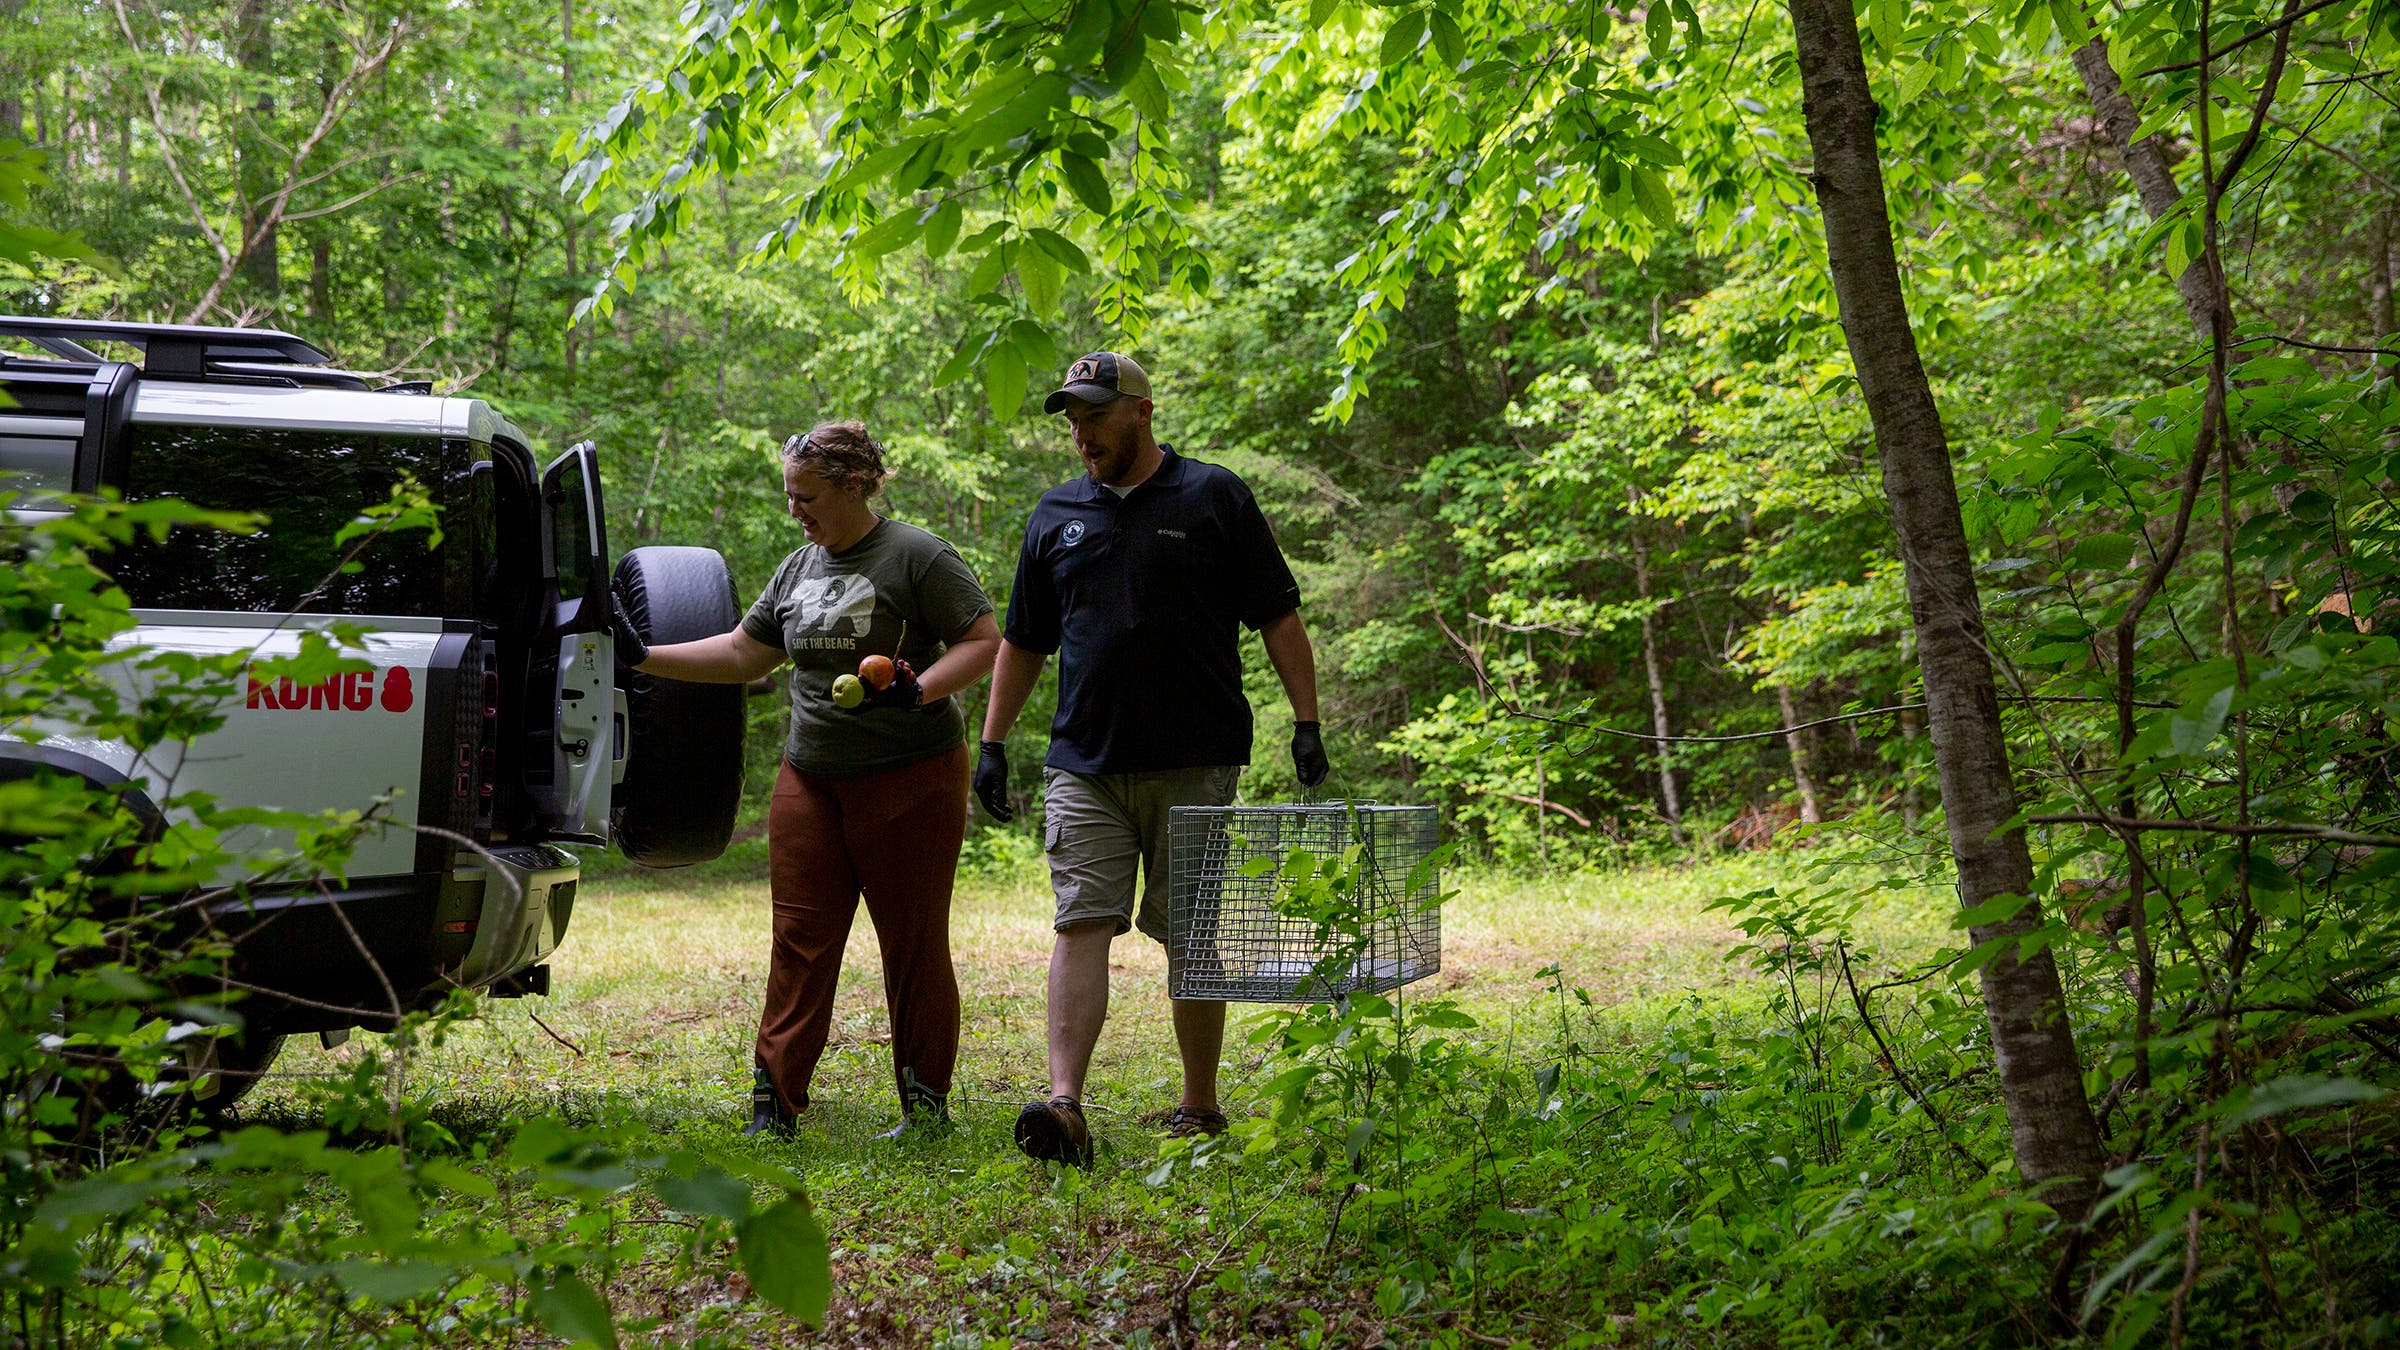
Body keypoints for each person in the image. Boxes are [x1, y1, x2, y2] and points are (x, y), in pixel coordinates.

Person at [975, 351, 1330, 1166]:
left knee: (1193, 933)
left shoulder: (1213, 495)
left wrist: (1306, 721)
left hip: (1197, 757)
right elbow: (1025, 642)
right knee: (1081, 921)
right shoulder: (1055, 514)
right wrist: (991, 743)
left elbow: (1277, 616)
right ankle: (1064, 1106)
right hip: (1085, 762)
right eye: (1071, 419)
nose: (1081, 434)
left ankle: (1200, 1106)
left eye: (1094, 417)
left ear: (1140, 411)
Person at [618, 421, 1001, 1139]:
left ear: (854, 485)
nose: (795, 510)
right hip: (812, 779)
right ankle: (774, 1108)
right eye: (790, 496)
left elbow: (983, 642)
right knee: (799, 937)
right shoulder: (799, 568)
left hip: (910, 777)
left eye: (807, 496)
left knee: (912, 941)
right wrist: (640, 656)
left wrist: (918, 690)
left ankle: (925, 1109)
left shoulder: (917, 555)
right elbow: (741, 654)